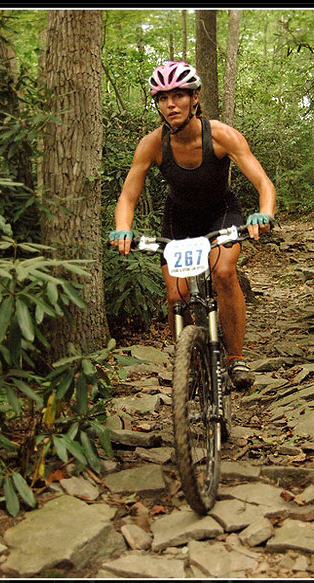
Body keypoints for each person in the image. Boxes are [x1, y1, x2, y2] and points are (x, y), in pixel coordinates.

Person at [110, 61, 276, 390]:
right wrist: (123, 228)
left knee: (224, 272)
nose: (170, 104)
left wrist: (264, 213)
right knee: (177, 296)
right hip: (180, 218)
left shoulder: (221, 135)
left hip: (220, 212)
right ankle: (192, 359)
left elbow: (263, 183)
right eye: (163, 98)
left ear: (195, 98)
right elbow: (128, 196)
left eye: (178, 96)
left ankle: (235, 357)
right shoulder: (153, 144)